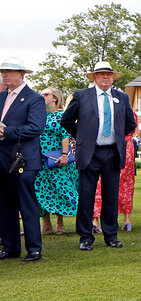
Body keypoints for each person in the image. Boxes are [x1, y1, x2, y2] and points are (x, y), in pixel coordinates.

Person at [62, 61, 136, 251]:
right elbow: (67, 120)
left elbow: (129, 123)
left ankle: (111, 235)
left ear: (113, 78)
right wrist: (82, 137)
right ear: (94, 77)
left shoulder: (121, 97)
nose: (105, 77)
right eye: (101, 74)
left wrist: (118, 137)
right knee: (86, 196)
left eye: (109, 75)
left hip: (111, 152)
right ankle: (85, 237)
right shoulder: (81, 95)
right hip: (90, 152)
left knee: (111, 196)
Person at [0, 57, 47, 261]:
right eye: (3, 71)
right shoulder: (2, 97)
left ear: (22, 74)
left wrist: (6, 131)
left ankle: (34, 248)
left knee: (26, 204)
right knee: (4, 204)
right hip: (2, 159)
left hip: (23, 160)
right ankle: (10, 247)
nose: (4, 75)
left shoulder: (34, 98)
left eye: (9, 71)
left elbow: (36, 128)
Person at [35, 87, 78, 236]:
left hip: (57, 157)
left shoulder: (62, 115)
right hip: (39, 158)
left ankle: (60, 222)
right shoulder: (39, 115)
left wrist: (65, 154)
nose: (42, 96)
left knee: (60, 189)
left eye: (46, 94)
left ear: (55, 98)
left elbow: (65, 135)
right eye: (41, 93)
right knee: (40, 190)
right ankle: (46, 224)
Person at [93, 111, 138, 232]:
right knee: (125, 184)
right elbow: (132, 128)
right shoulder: (130, 112)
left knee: (100, 183)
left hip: (110, 144)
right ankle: (127, 219)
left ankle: (96, 220)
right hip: (126, 146)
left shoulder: (105, 110)